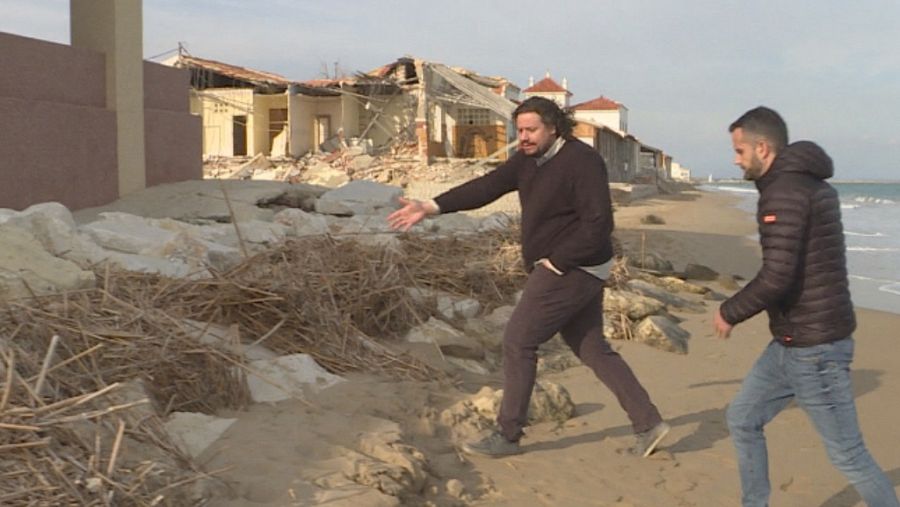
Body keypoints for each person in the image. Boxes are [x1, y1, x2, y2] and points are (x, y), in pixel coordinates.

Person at [388, 96, 669, 458]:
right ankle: (649, 423)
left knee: (518, 342)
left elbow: (600, 223)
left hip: (573, 267)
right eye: (519, 130)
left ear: (553, 126)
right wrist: (431, 206)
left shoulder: (582, 162)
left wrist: (557, 261)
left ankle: (507, 436)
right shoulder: (526, 160)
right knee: (592, 348)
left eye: (531, 130)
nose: (524, 137)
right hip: (572, 266)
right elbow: (487, 187)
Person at [714, 106, 899, 506]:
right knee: (743, 419)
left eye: (740, 150)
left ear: (763, 148)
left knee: (848, 454)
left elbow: (778, 274)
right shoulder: (810, 185)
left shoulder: (785, 191)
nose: (735, 159)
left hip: (814, 349)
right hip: (792, 340)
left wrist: (728, 311)